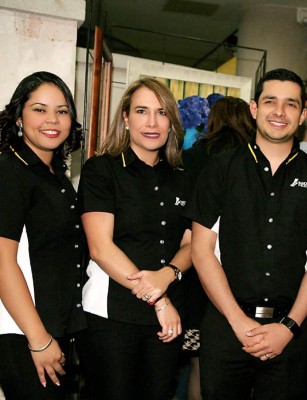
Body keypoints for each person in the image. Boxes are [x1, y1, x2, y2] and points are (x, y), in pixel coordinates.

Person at [186, 68, 307, 400]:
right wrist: (238, 320)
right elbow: (201, 251)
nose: (280, 112)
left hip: (290, 331)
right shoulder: (221, 169)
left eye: (290, 104)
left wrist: (289, 327)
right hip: (226, 325)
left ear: (301, 115)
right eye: (271, 101)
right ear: (254, 109)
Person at [77, 77, 194, 400]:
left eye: (161, 112)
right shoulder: (102, 170)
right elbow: (101, 248)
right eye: (142, 111)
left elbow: (191, 244)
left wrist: (167, 275)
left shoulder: (183, 178)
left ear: (172, 122)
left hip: (168, 320)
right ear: (126, 118)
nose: (152, 122)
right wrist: (158, 298)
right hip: (112, 314)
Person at [0, 71, 85, 399]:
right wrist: (39, 339)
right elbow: (3, 262)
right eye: (40, 109)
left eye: (62, 111)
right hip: (23, 333)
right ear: (19, 117)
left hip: (54, 329)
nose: (52, 119)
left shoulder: (56, 176)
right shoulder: (10, 171)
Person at [180, 96, 255, 400]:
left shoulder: (194, 157)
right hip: (240, 271)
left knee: (200, 362)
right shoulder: (250, 160)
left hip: (196, 272)